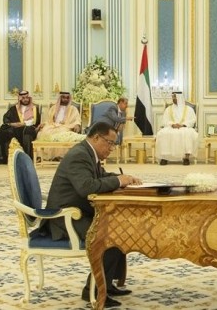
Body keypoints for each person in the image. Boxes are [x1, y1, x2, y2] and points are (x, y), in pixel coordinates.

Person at [41, 122, 142, 308]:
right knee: (110, 237)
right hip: (64, 218)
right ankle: (93, 291)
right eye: (110, 143)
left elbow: (100, 176)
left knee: (119, 229)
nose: (112, 148)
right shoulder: (79, 155)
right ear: (96, 137)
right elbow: (86, 187)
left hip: (78, 212)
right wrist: (119, 180)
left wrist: (123, 178)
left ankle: (106, 284)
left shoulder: (88, 152)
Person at [0, 91, 41, 164]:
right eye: (23, 98)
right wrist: (13, 124)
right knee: (3, 132)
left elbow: (36, 121)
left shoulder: (34, 108)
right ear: (20, 99)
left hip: (28, 127)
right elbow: (6, 118)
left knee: (27, 133)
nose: (25, 100)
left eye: (27, 98)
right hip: (16, 128)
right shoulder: (14, 108)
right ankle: (5, 158)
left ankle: (27, 159)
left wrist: (24, 124)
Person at [156, 91, 198, 166]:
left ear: (180, 98)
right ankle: (165, 157)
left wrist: (183, 125)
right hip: (171, 127)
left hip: (185, 127)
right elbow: (165, 120)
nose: (173, 99)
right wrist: (172, 124)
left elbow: (193, 120)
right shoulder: (168, 109)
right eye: (173, 97)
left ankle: (186, 158)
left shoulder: (189, 109)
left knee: (187, 134)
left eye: (175, 97)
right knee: (163, 134)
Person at [37, 91, 82, 160]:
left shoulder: (73, 109)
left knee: (62, 133)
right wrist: (44, 124)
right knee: (43, 132)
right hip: (52, 125)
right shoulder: (53, 108)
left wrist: (77, 125)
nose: (65, 99)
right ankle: (45, 156)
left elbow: (77, 120)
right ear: (60, 98)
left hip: (66, 126)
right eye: (63, 97)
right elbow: (48, 119)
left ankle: (60, 156)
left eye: (67, 98)